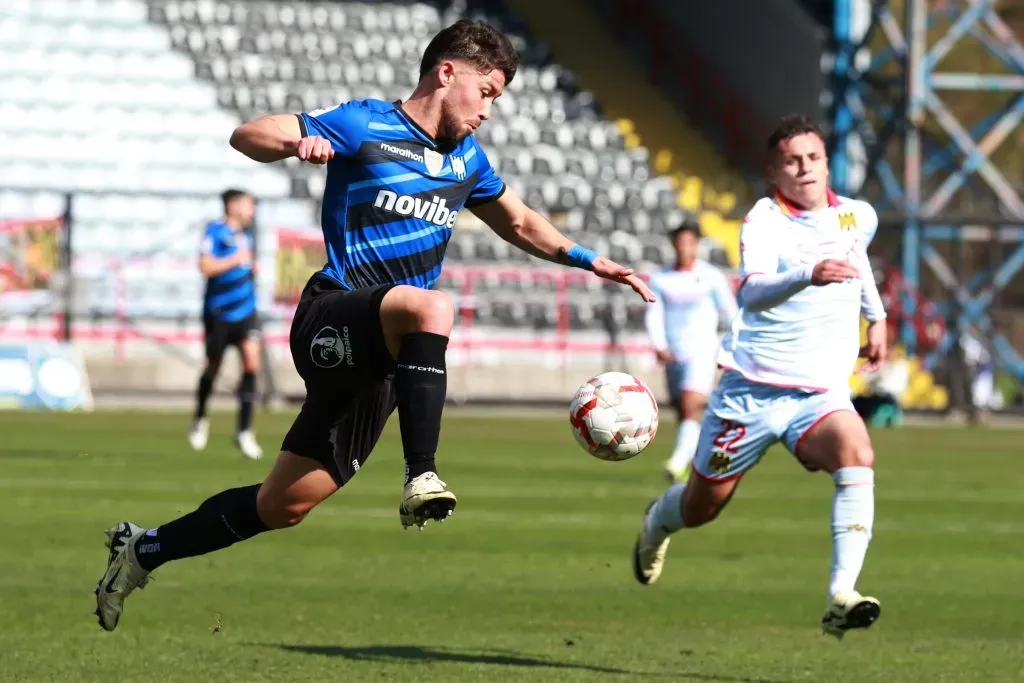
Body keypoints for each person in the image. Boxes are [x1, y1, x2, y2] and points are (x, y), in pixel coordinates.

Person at [94, 19, 655, 632]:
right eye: (487, 92)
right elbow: (246, 134)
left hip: (385, 361)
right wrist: (295, 143)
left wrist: (588, 259)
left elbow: (519, 223)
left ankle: (143, 550)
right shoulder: (364, 122)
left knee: (284, 505)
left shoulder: (467, 160)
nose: (490, 111)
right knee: (433, 306)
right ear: (448, 73)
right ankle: (422, 474)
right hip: (332, 315)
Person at [631, 114, 888, 639]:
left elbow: (856, 263)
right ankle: (658, 521)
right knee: (703, 508)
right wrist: (807, 275)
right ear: (774, 170)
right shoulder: (765, 220)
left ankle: (842, 594)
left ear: (825, 162)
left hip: (818, 393)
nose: (805, 168)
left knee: (858, 455)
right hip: (750, 392)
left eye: (813, 157)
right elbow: (751, 291)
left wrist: (877, 317)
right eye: (792, 160)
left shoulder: (858, 216)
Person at [644, 218, 737, 483]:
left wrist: (730, 344)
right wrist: (659, 346)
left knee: (690, 403)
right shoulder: (661, 278)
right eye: (680, 241)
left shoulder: (710, 277)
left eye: (690, 241)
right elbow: (654, 313)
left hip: (702, 351)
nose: (685, 246)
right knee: (681, 409)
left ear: (696, 244)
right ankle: (694, 457)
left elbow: (729, 312)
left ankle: (677, 463)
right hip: (674, 353)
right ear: (674, 244)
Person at [188, 189, 264, 460]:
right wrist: (236, 260)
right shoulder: (215, 231)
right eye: (247, 204)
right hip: (219, 312)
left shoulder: (248, 234)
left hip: (246, 310)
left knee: (252, 362)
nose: (252, 210)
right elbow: (205, 266)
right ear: (232, 206)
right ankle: (200, 417)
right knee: (213, 366)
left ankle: (244, 430)